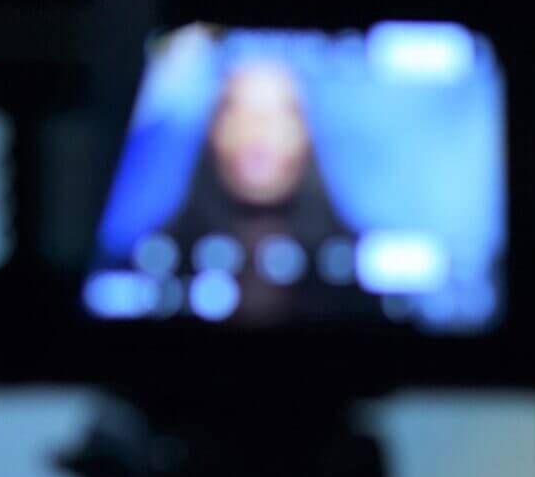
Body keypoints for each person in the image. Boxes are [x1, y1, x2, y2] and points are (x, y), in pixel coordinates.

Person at [153, 55, 372, 325]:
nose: (257, 130)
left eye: (279, 113)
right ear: (212, 129)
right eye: (237, 111)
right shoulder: (153, 260)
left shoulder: (363, 268)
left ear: (307, 132)